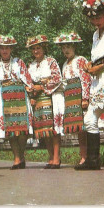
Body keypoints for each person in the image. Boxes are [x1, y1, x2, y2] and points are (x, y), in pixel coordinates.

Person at [78, 0, 104, 171]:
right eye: (92, 18)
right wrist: (91, 65)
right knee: (90, 119)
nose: (95, 20)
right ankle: (93, 160)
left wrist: (103, 66)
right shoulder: (94, 35)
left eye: (98, 16)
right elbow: (97, 56)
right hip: (97, 81)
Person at [0, 35, 34, 169]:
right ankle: (17, 158)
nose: (5, 51)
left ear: (11, 49)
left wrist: (32, 93)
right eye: (2, 48)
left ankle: (21, 156)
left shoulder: (19, 62)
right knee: (10, 131)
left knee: (22, 130)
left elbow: (27, 79)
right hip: (5, 99)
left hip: (20, 97)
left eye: (7, 48)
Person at [53, 32, 91, 169]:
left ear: (74, 47)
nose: (66, 50)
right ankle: (83, 156)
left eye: (68, 47)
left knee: (86, 128)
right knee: (79, 130)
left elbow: (86, 79)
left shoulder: (80, 60)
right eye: (63, 48)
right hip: (70, 98)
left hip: (80, 96)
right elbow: (64, 83)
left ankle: (88, 157)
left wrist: (85, 98)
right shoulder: (64, 64)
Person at [26, 35, 65, 169]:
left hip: (50, 96)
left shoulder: (50, 61)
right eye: (34, 49)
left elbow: (57, 78)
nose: (36, 51)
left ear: (44, 48)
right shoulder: (31, 65)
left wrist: (42, 86)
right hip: (38, 99)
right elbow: (28, 82)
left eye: (38, 48)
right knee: (44, 129)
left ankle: (56, 157)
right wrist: (31, 91)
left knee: (53, 129)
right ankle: (50, 157)